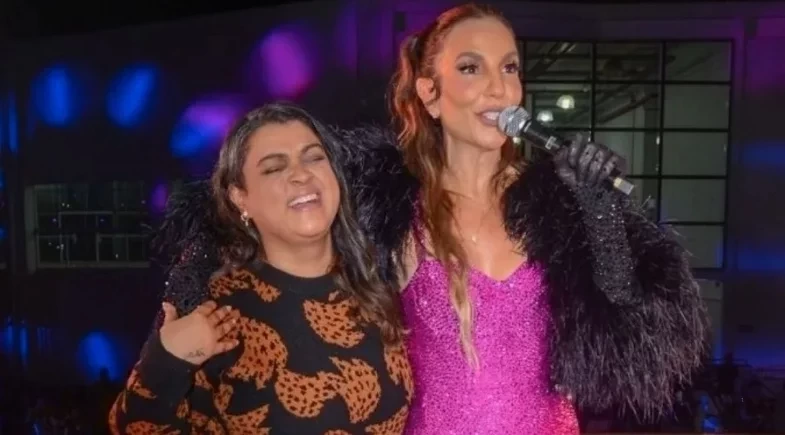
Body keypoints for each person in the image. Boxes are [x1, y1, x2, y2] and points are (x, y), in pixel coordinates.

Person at [341, 3, 707, 433]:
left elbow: (625, 330)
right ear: (430, 94)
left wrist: (600, 211)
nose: (499, 88)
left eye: (510, 68)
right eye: (471, 68)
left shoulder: (553, 207)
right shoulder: (395, 212)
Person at [108, 103, 412, 433]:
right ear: (240, 198)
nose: (301, 174)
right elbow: (133, 427)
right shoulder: (215, 306)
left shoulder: (377, 279)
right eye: (273, 168)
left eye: (314, 157)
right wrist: (167, 359)